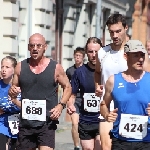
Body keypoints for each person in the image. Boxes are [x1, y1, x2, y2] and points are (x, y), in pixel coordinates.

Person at [8, 33, 72, 150]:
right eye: (32, 46)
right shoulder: (20, 67)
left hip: (47, 122)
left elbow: (67, 87)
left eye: (39, 45)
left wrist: (60, 105)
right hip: (26, 123)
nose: (35, 49)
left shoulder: (55, 67)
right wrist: (13, 92)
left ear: (45, 47)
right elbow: (13, 91)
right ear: (28, 48)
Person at [100, 40, 150, 150]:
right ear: (125, 56)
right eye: (136, 55)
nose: (140, 59)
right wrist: (107, 115)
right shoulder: (113, 80)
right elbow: (103, 104)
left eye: (142, 55)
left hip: (146, 141)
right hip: (121, 141)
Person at [95, 13, 128, 150]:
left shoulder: (135, 52)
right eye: (111, 32)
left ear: (126, 28)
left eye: (118, 31)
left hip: (129, 107)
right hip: (106, 106)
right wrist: (97, 85)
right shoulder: (102, 52)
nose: (115, 35)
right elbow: (97, 72)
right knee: (106, 146)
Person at [68, 37, 102, 150]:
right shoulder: (79, 72)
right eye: (90, 51)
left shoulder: (106, 71)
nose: (94, 55)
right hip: (86, 120)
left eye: (96, 51)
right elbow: (72, 94)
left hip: (102, 119)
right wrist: (70, 105)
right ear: (86, 53)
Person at [66, 47, 85, 150]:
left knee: (85, 124)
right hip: (74, 100)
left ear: (83, 58)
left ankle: (85, 144)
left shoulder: (87, 70)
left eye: (79, 56)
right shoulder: (70, 71)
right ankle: (76, 146)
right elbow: (66, 87)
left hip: (85, 99)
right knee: (74, 123)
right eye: (76, 56)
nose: (77, 58)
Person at [0, 56, 20, 150]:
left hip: (20, 122)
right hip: (2, 122)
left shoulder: (21, 86)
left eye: (7, 67)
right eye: (2, 67)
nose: (3, 70)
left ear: (14, 69)